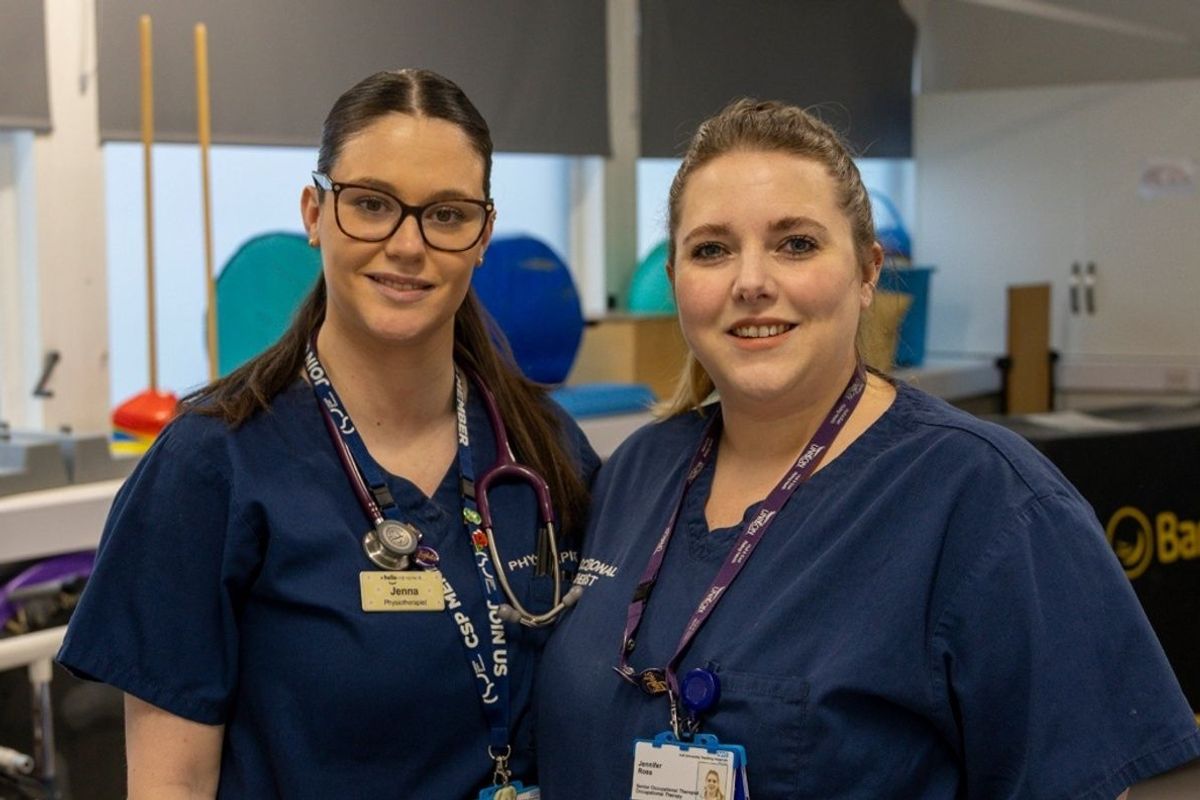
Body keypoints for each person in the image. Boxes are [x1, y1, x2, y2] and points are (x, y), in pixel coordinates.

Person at [535, 98, 1200, 799]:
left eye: (796, 243)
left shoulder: (989, 502)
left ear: (868, 272)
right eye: (711, 249)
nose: (751, 281)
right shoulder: (638, 471)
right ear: (674, 282)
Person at [58, 68, 599, 798]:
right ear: (315, 212)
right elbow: (171, 785)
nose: (408, 245)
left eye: (446, 214)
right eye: (371, 204)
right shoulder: (211, 465)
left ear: (483, 236)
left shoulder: (546, 451)